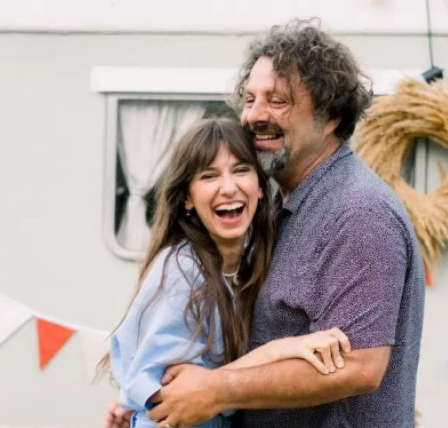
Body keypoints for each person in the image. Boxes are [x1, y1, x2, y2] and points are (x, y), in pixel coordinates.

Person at [137, 19, 426, 428]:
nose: (254, 115)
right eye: (249, 99)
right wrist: (149, 402)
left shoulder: (359, 212)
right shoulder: (279, 203)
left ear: (331, 115)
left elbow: (359, 366)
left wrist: (215, 390)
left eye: (277, 101)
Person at [104, 118, 353, 428]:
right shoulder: (183, 269)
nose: (229, 187)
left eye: (241, 170)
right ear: (187, 198)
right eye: (209, 176)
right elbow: (168, 395)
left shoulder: (247, 265)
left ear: (260, 188)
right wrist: (282, 349)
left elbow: (214, 382)